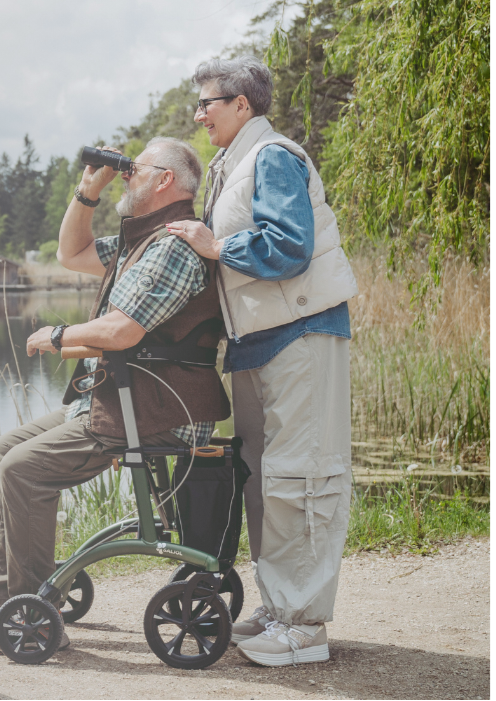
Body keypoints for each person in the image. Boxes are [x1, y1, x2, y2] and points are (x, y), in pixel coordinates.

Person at [0, 137, 230, 654]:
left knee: (23, 469)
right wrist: (87, 191)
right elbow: (71, 253)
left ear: (165, 180)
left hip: (152, 411)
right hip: (119, 402)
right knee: (1, 451)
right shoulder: (138, 241)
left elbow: (122, 331)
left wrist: (61, 335)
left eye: (135, 168)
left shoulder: (171, 247)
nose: (126, 173)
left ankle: (32, 614)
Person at [166, 57, 357, 667]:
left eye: (207, 103)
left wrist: (216, 245)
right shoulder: (232, 164)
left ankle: (304, 628)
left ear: (241, 104)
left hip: (301, 332)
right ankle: (279, 607)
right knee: (264, 481)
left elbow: (290, 245)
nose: (199, 114)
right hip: (255, 342)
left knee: (302, 477)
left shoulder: (273, 156)